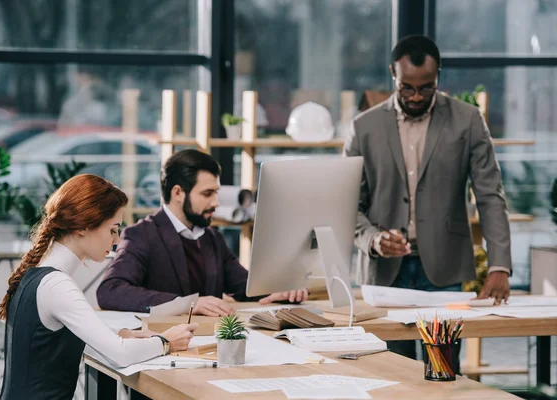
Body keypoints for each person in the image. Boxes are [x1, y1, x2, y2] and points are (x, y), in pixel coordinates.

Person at [344, 35, 511, 362]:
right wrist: (373, 239)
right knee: (391, 374)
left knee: (443, 373)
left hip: (446, 271)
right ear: (393, 73)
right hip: (382, 276)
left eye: (426, 87)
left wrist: (500, 266)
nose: (417, 96)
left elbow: (490, 196)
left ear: (438, 78)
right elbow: (347, 204)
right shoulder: (363, 127)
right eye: (407, 87)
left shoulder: (468, 120)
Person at [0, 174, 198, 400]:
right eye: (113, 229)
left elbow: (64, 340)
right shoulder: (56, 285)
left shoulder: (39, 277)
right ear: (83, 226)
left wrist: (119, 334)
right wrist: (166, 341)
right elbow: (120, 354)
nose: (117, 240)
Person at [97, 149, 308, 315]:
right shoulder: (141, 235)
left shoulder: (211, 237)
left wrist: (277, 289)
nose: (216, 202)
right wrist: (188, 304)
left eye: (216, 193)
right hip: (165, 347)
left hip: (211, 343)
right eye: (207, 194)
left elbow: (243, 285)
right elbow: (111, 291)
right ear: (178, 192)